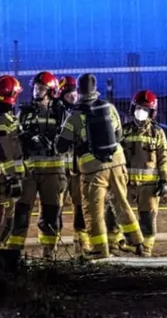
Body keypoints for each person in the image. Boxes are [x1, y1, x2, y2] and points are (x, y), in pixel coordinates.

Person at [56, 73, 143, 259]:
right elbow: (118, 135)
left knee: (93, 211)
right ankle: (138, 242)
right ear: (96, 89)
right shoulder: (109, 108)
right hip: (117, 162)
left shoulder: (75, 116)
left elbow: (60, 146)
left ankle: (99, 251)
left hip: (93, 169)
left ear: (79, 91)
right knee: (122, 203)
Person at [6, 72, 68, 259]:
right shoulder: (24, 112)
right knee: (22, 212)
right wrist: (26, 139)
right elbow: (15, 137)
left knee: (50, 214)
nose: (36, 91)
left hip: (53, 171)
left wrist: (53, 142)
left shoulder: (60, 111)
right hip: (29, 172)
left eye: (41, 88)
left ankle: (49, 254)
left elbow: (67, 136)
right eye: (35, 88)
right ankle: (14, 254)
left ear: (50, 91)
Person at [121, 90, 167, 255]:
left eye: (145, 109)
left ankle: (146, 250)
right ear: (133, 108)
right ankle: (128, 243)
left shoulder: (157, 133)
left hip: (149, 185)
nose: (141, 112)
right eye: (139, 107)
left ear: (152, 112)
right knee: (121, 214)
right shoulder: (124, 131)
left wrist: (164, 181)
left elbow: (163, 159)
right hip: (126, 183)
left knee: (148, 218)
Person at [0, 75, 25, 247]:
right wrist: (13, 178)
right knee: (4, 222)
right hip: (4, 182)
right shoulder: (2, 120)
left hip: (2, 180)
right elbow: (4, 154)